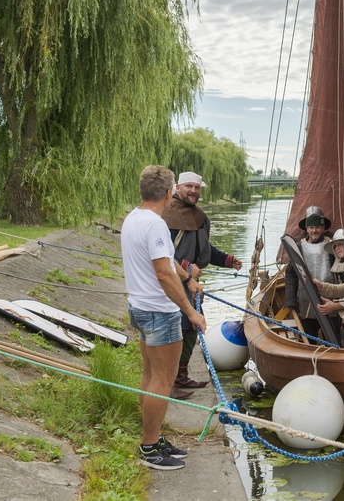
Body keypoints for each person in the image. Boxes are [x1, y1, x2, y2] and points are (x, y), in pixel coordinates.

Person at [121, 165, 208, 471]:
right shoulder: (156, 225)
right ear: (169, 192)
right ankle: (149, 447)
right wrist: (191, 311)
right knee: (163, 380)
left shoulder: (134, 218)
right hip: (160, 312)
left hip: (140, 308)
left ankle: (154, 438)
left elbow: (168, 262)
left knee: (150, 376)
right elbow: (162, 274)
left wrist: (187, 279)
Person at [161, 171, 242, 400]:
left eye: (197, 188)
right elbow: (162, 253)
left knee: (191, 330)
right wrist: (186, 266)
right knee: (174, 333)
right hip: (170, 284)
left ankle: (181, 376)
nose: (194, 191)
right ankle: (169, 382)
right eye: (189, 187)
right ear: (178, 187)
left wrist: (228, 260)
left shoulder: (201, 218)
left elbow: (205, 250)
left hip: (191, 286)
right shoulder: (166, 216)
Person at [284, 206, 334, 341]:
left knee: (334, 339)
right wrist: (290, 300)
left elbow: (341, 272)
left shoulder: (333, 245)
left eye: (317, 227)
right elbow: (291, 275)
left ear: (323, 228)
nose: (314, 230)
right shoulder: (298, 247)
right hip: (306, 302)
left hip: (330, 301)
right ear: (306, 229)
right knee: (309, 340)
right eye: (311, 227)